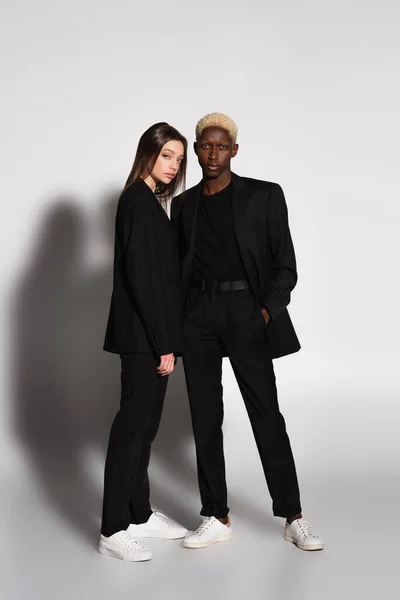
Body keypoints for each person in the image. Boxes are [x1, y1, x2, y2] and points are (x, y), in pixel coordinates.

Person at [171, 113, 324, 551]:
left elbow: (285, 266)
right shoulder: (183, 207)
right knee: (205, 417)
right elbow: (174, 269)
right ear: (197, 149)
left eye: (221, 147)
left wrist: (261, 314)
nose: (212, 154)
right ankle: (215, 514)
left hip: (245, 311)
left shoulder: (264, 196)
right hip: (199, 314)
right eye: (205, 146)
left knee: (266, 415)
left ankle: (293, 515)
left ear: (234, 150)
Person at [99, 123, 189, 562]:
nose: (173, 165)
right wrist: (161, 343)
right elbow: (142, 280)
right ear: (148, 153)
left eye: (178, 158)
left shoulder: (152, 202)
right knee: (132, 428)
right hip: (142, 339)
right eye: (167, 155)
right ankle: (112, 526)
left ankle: (138, 512)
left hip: (153, 336)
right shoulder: (136, 200)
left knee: (146, 428)